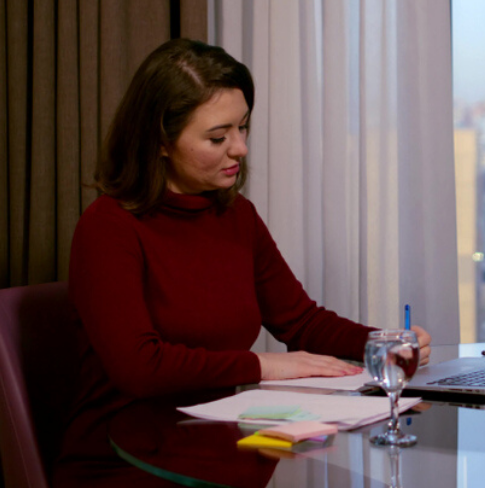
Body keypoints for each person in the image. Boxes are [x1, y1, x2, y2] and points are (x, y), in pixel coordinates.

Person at [53, 38, 430, 485]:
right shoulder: (109, 227)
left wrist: (383, 344)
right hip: (121, 463)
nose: (240, 149)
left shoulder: (236, 216)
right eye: (218, 137)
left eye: (243, 128)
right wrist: (264, 365)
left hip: (212, 445)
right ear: (159, 142)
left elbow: (301, 321)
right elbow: (139, 366)